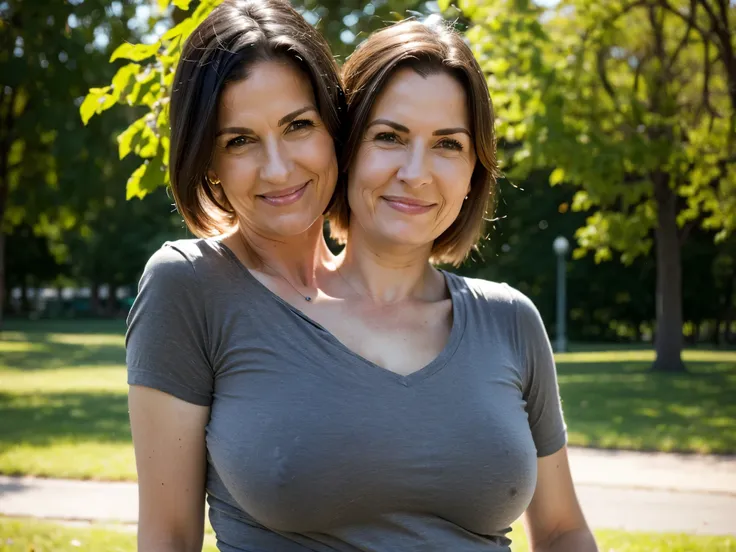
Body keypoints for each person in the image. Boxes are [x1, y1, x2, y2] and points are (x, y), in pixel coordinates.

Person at [317, 19, 599, 551]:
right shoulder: (250, 305)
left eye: (448, 143)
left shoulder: (510, 321)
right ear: (345, 147)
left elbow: (563, 530)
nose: (416, 172)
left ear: (474, 171)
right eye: (389, 137)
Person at [125, 0, 344, 550]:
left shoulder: (393, 291)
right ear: (210, 166)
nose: (277, 167)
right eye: (240, 140)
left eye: (298, 125)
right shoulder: (187, 285)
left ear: (335, 129)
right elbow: (168, 536)